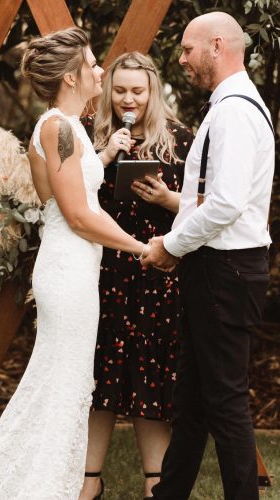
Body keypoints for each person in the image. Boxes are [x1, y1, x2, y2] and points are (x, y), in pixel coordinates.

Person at [0, 27, 151, 500]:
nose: (100, 71)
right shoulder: (58, 127)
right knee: (64, 386)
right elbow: (76, 214)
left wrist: (106, 154)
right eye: (93, 64)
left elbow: (63, 190)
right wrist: (142, 249)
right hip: (69, 270)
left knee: (64, 384)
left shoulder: (61, 128)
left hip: (72, 268)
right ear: (72, 77)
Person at [143, 12, 275, 500]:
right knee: (193, 402)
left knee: (224, 401)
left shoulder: (235, 111)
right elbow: (212, 199)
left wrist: (170, 245)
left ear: (217, 46)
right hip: (217, 269)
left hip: (225, 271)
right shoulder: (228, 106)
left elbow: (225, 203)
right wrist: (174, 220)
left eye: (186, 50)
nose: (181, 60)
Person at [78, 52, 193, 500]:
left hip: (157, 270)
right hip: (104, 270)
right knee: (98, 377)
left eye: (138, 91)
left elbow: (206, 203)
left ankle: (155, 483)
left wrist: (166, 198)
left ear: (153, 91)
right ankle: (90, 481)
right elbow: (72, 198)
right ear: (109, 92)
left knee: (152, 375)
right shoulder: (91, 136)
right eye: (121, 90)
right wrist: (106, 157)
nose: (129, 99)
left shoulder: (179, 138)